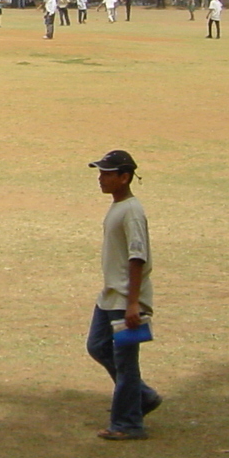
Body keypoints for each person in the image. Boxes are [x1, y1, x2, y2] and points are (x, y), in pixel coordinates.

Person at [85, 149, 159, 441]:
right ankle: (142, 397)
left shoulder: (131, 211)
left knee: (126, 363)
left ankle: (128, 423)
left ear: (124, 177)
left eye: (107, 173)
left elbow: (137, 257)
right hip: (110, 296)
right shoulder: (118, 207)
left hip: (125, 299)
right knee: (98, 346)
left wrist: (132, 303)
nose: (101, 178)